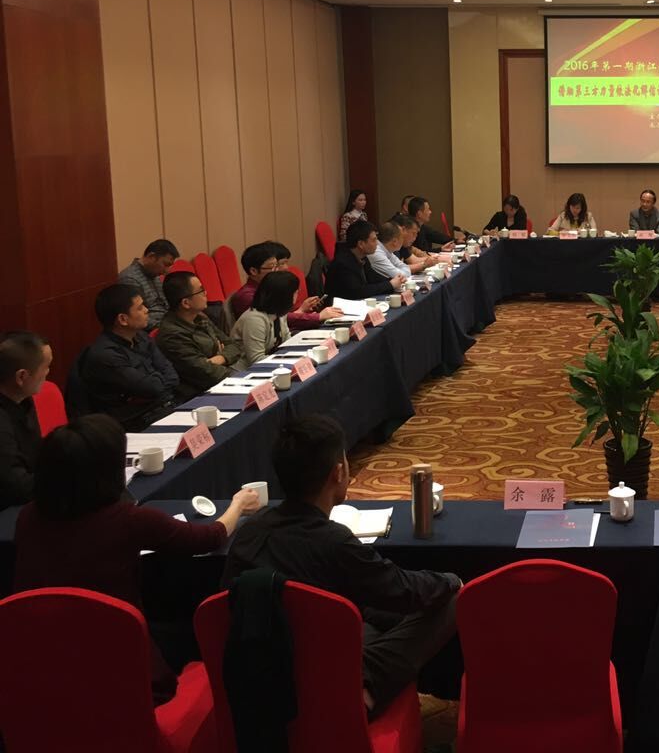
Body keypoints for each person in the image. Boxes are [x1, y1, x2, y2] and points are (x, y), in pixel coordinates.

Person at [223, 415, 461, 716]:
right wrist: (451, 580)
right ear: (338, 472)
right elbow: (404, 590)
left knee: (368, 614)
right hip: (325, 681)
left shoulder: (249, 533)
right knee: (449, 599)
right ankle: (366, 689)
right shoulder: (333, 542)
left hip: (258, 679)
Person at [15, 414, 260, 703]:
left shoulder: (27, 517)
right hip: (118, 658)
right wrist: (238, 505)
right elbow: (210, 537)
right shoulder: (128, 520)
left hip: (39, 657)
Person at [80, 285, 179, 431]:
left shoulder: (141, 336)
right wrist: (157, 380)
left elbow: (172, 376)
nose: (146, 310)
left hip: (163, 407)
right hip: (134, 424)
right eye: (140, 308)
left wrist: (155, 381)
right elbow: (152, 388)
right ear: (123, 319)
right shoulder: (106, 355)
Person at [155, 271, 246, 401]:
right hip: (199, 395)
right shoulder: (173, 335)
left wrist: (220, 358)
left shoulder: (200, 318)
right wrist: (238, 378)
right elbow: (206, 372)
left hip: (222, 381)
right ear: (186, 303)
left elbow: (234, 346)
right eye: (201, 291)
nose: (206, 293)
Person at [229, 242, 339, 329]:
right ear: (253, 271)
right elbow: (276, 319)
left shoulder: (270, 287)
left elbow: (281, 317)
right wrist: (318, 317)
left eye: (277, 265)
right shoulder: (246, 296)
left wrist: (302, 310)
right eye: (272, 267)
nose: (277, 270)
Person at [0, 332, 51, 510]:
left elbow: (34, 455)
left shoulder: (21, 399)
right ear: (21, 377)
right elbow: (16, 486)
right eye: (46, 367)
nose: (48, 373)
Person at [230, 270, 297, 367]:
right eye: (295, 292)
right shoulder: (254, 319)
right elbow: (256, 359)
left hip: (272, 364)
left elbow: (287, 343)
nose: (297, 294)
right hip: (245, 370)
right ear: (284, 296)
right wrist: (287, 361)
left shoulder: (279, 313)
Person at [327, 220, 406, 300]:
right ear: (361, 244)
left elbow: (373, 279)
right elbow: (358, 291)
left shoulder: (363, 257)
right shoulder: (343, 263)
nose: (377, 243)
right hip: (340, 305)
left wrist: (395, 281)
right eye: (374, 240)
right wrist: (390, 284)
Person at [118, 239, 179, 329]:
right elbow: (136, 318)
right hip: (154, 329)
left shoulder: (154, 273)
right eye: (166, 264)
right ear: (152, 257)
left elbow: (165, 305)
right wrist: (171, 326)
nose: (167, 271)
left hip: (167, 322)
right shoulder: (130, 278)